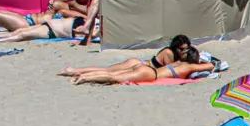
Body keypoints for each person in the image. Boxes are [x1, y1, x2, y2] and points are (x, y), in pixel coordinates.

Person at [68, 45, 213, 85]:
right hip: (150, 74)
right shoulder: (188, 66)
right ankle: (84, 78)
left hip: (145, 67)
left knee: (112, 73)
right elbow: (210, 66)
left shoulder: (178, 62)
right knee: (114, 77)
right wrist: (201, 63)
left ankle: (82, 74)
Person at [59, 35, 191, 78]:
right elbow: (169, 69)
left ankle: (75, 72)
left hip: (140, 64)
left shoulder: (173, 53)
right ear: (176, 47)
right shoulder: (169, 53)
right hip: (138, 64)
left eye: (187, 49)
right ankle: (74, 71)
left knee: (108, 70)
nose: (185, 51)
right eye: (183, 49)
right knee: (107, 70)